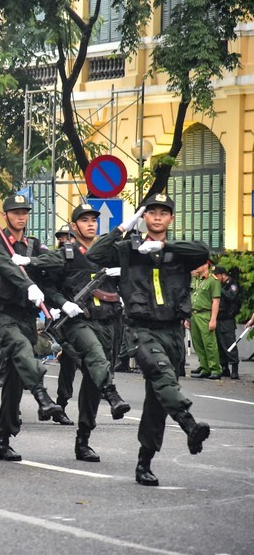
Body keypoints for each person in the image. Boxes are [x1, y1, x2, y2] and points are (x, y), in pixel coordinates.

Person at [87, 193, 212, 486]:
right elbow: (94, 256)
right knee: (161, 374)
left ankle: (144, 462)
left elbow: (203, 251)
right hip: (141, 329)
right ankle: (189, 424)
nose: (157, 217)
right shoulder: (128, 250)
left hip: (173, 331)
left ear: (171, 218)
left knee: (158, 399)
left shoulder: (180, 251)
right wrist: (122, 228)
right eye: (152, 212)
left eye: (163, 212)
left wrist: (165, 246)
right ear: (143, 217)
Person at [20, 203, 131, 462]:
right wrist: (62, 303)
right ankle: (112, 393)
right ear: (74, 226)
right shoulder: (66, 254)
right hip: (78, 320)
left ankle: (83, 440)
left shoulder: (110, 252)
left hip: (109, 319)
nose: (90, 224)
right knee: (94, 354)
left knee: (94, 377)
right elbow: (45, 283)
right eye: (84, 220)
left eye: (93, 220)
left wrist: (124, 274)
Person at [0, 194, 62, 462]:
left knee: (14, 382)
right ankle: (42, 396)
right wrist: (27, 284)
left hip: (26, 317)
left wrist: (32, 263)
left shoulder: (34, 246)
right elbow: (6, 267)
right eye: (15, 212)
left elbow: (57, 261)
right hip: (1, 314)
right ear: (5, 215)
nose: (21, 216)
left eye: (24, 212)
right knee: (18, 346)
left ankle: (4, 439)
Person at [188, 262, 222, 380]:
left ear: (206, 265)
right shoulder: (195, 279)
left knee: (209, 343)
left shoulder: (213, 280)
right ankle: (205, 367)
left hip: (205, 314)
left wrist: (213, 319)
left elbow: (216, 301)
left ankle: (215, 369)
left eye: (199, 264)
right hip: (194, 314)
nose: (196, 266)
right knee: (197, 343)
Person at [212, 266, 241, 378]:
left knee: (230, 343)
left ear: (223, 275)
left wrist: (219, 289)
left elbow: (231, 296)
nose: (215, 278)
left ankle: (234, 369)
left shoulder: (232, 284)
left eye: (216, 275)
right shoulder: (218, 285)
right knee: (220, 344)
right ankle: (224, 368)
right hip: (218, 318)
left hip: (227, 319)